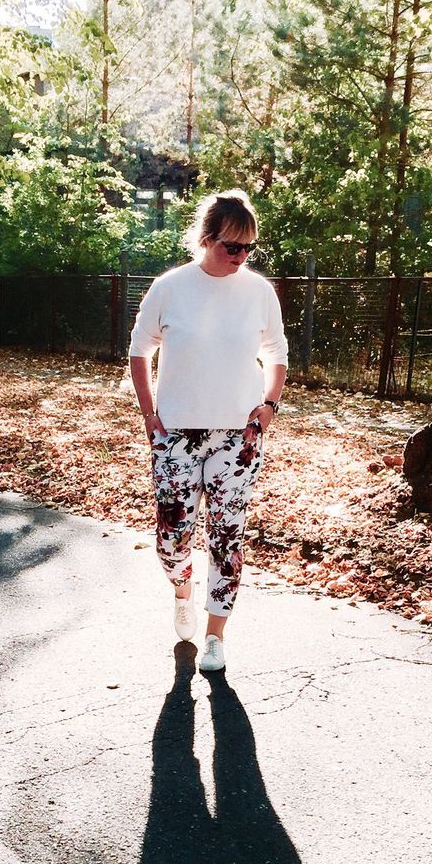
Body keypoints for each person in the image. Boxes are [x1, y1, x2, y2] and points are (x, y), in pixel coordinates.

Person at [129, 190, 288, 672]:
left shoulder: (258, 291)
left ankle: (216, 634)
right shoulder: (171, 286)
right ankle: (182, 588)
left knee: (227, 535)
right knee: (172, 535)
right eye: (230, 247)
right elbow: (140, 350)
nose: (240, 257)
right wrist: (149, 414)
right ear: (206, 239)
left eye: (248, 249)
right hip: (175, 430)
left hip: (237, 436)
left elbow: (277, 352)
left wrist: (269, 405)